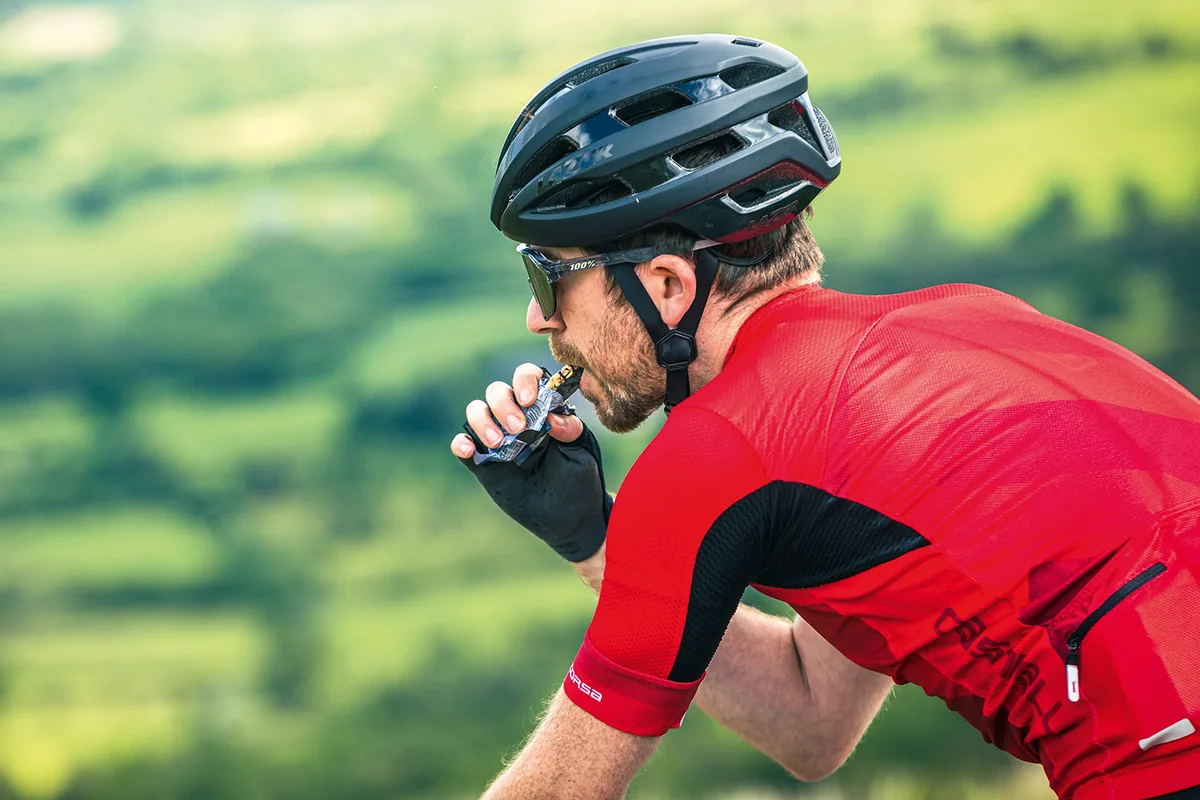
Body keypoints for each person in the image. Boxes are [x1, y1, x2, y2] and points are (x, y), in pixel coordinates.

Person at [450, 34, 1200, 800]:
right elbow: (813, 721)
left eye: (548, 280)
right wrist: (598, 539)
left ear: (668, 286)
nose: (540, 322)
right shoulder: (957, 331)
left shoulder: (719, 450)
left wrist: (638, 528)